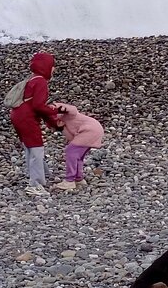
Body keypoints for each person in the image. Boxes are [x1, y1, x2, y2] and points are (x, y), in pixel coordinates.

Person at [9, 52, 57, 196]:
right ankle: (35, 185)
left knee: (30, 147)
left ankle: (42, 175)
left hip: (17, 115)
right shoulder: (41, 81)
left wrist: (51, 121)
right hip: (27, 118)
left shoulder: (31, 79)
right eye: (52, 66)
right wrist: (53, 111)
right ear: (46, 67)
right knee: (36, 147)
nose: (53, 69)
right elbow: (38, 106)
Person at [51, 103, 105, 190]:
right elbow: (72, 138)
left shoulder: (66, 115)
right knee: (77, 156)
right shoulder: (62, 124)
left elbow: (73, 109)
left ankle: (70, 181)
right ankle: (78, 178)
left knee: (71, 152)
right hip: (94, 130)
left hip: (89, 130)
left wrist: (56, 106)